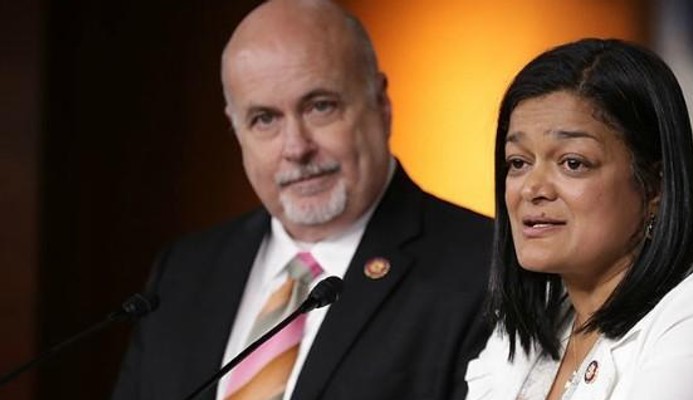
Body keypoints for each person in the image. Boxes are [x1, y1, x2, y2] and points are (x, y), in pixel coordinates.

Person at [112, 1, 491, 398]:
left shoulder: (487, 270)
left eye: (320, 107)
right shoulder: (183, 272)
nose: (296, 148)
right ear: (236, 129)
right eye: (265, 119)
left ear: (381, 104)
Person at [465, 38, 693, 400]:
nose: (531, 188)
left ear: (655, 187)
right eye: (518, 162)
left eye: (572, 163)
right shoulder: (527, 329)